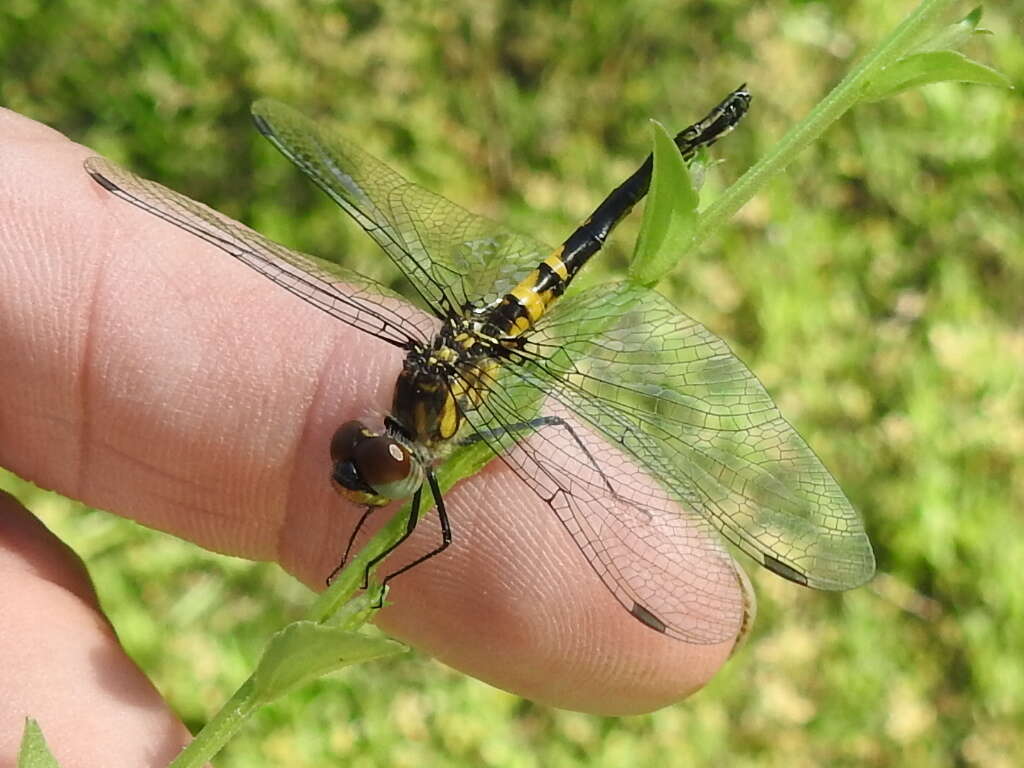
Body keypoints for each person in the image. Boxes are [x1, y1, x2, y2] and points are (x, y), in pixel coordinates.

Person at [0, 106, 742, 765]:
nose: (358, 472)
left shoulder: (425, 441)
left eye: (369, 470)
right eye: (365, 463)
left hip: (497, 340)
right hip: (468, 354)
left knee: (541, 424)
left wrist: (373, 570)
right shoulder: (405, 431)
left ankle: (690, 143)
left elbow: (445, 540)